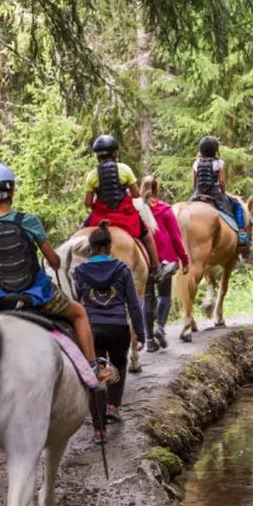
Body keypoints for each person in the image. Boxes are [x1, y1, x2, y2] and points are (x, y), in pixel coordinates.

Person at [0, 161, 107, 381]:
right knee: (79, 313)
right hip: (39, 295)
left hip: (0, 300)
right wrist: (50, 262)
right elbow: (53, 260)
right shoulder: (29, 221)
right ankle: (93, 369)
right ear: (11, 191)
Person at [74, 221, 146, 436]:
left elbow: (76, 302)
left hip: (93, 328)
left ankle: (99, 428)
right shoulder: (122, 268)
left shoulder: (80, 271)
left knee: (97, 371)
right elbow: (133, 303)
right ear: (109, 246)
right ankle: (113, 406)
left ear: (91, 247)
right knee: (119, 364)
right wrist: (141, 332)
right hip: (118, 327)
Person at [83, 134, 178, 282]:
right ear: (115, 153)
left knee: (80, 233)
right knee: (146, 236)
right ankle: (156, 268)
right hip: (125, 214)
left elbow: (88, 203)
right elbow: (135, 195)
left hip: (101, 216)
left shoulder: (92, 175)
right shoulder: (124, 169)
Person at [140, 175, 189, 353]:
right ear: (157, 190)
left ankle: (149, 340)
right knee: (164, 294)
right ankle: (160, 327)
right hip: (165, 258)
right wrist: (185, 259)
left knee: (147, 297)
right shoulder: (165, 209)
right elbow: (176, 237)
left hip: (144, 259)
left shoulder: (137, 209)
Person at [190, 135, 250, 248]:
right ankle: (241, 233)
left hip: (198, 193)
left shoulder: (196, 163)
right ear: (215, 150)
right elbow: (221, 182)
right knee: (237, 206)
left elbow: (194, 182)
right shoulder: (219, 163)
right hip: (214, 194)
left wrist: (196, 193)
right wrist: (223, 193)